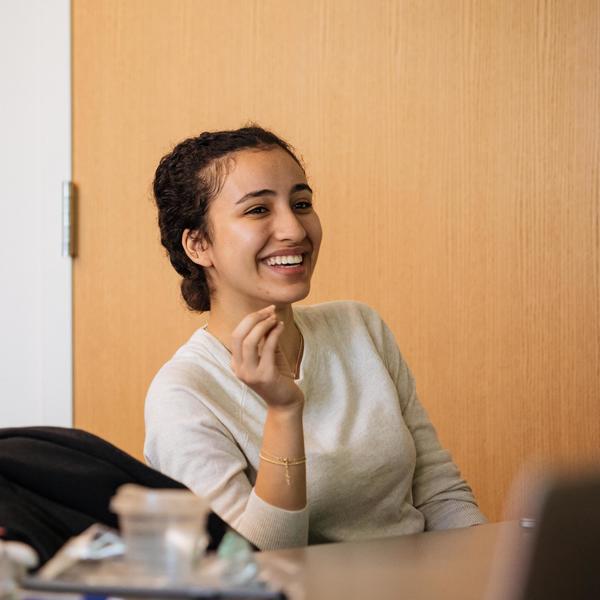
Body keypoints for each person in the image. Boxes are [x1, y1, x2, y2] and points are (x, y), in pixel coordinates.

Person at [144, 125, 486, 551]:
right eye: (257, 211)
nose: (294, 229)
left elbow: (438, 493)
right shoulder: (183, 394)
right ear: (198, 245)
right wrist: (284, 411)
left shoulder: (359, 328)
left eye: (301, 204)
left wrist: (491, 568)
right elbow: (255, 565)